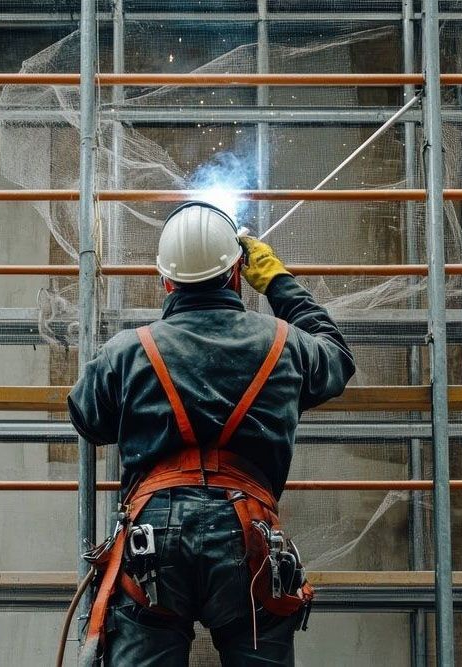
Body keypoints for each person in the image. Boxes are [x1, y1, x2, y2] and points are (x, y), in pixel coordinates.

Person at [68, 201, 355, 666]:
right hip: (248, 535)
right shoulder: (285, 344)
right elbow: (337, 359)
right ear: (238, 274)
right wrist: (278, 281)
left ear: (166, 280)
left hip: (153, 537)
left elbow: (86, 417)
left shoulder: (129, 350)